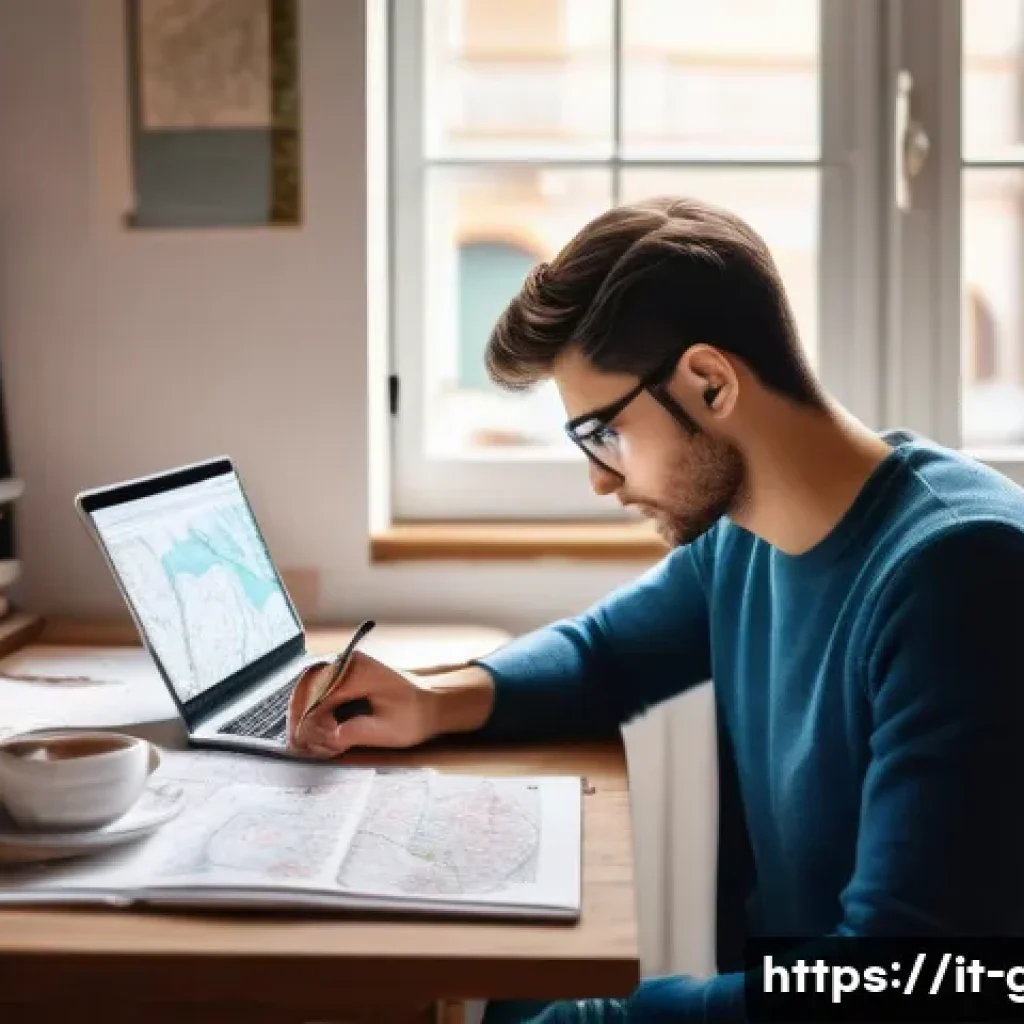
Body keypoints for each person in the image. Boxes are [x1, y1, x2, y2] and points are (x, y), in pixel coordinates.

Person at [288, 196, 1024, 1021]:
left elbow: (904, 978)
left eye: (603, 433)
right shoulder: (749, 530)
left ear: (709, 383)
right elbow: (607, 652)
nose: (599, 479)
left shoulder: (960, 574)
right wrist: (438, 698)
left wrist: (582, 1019)